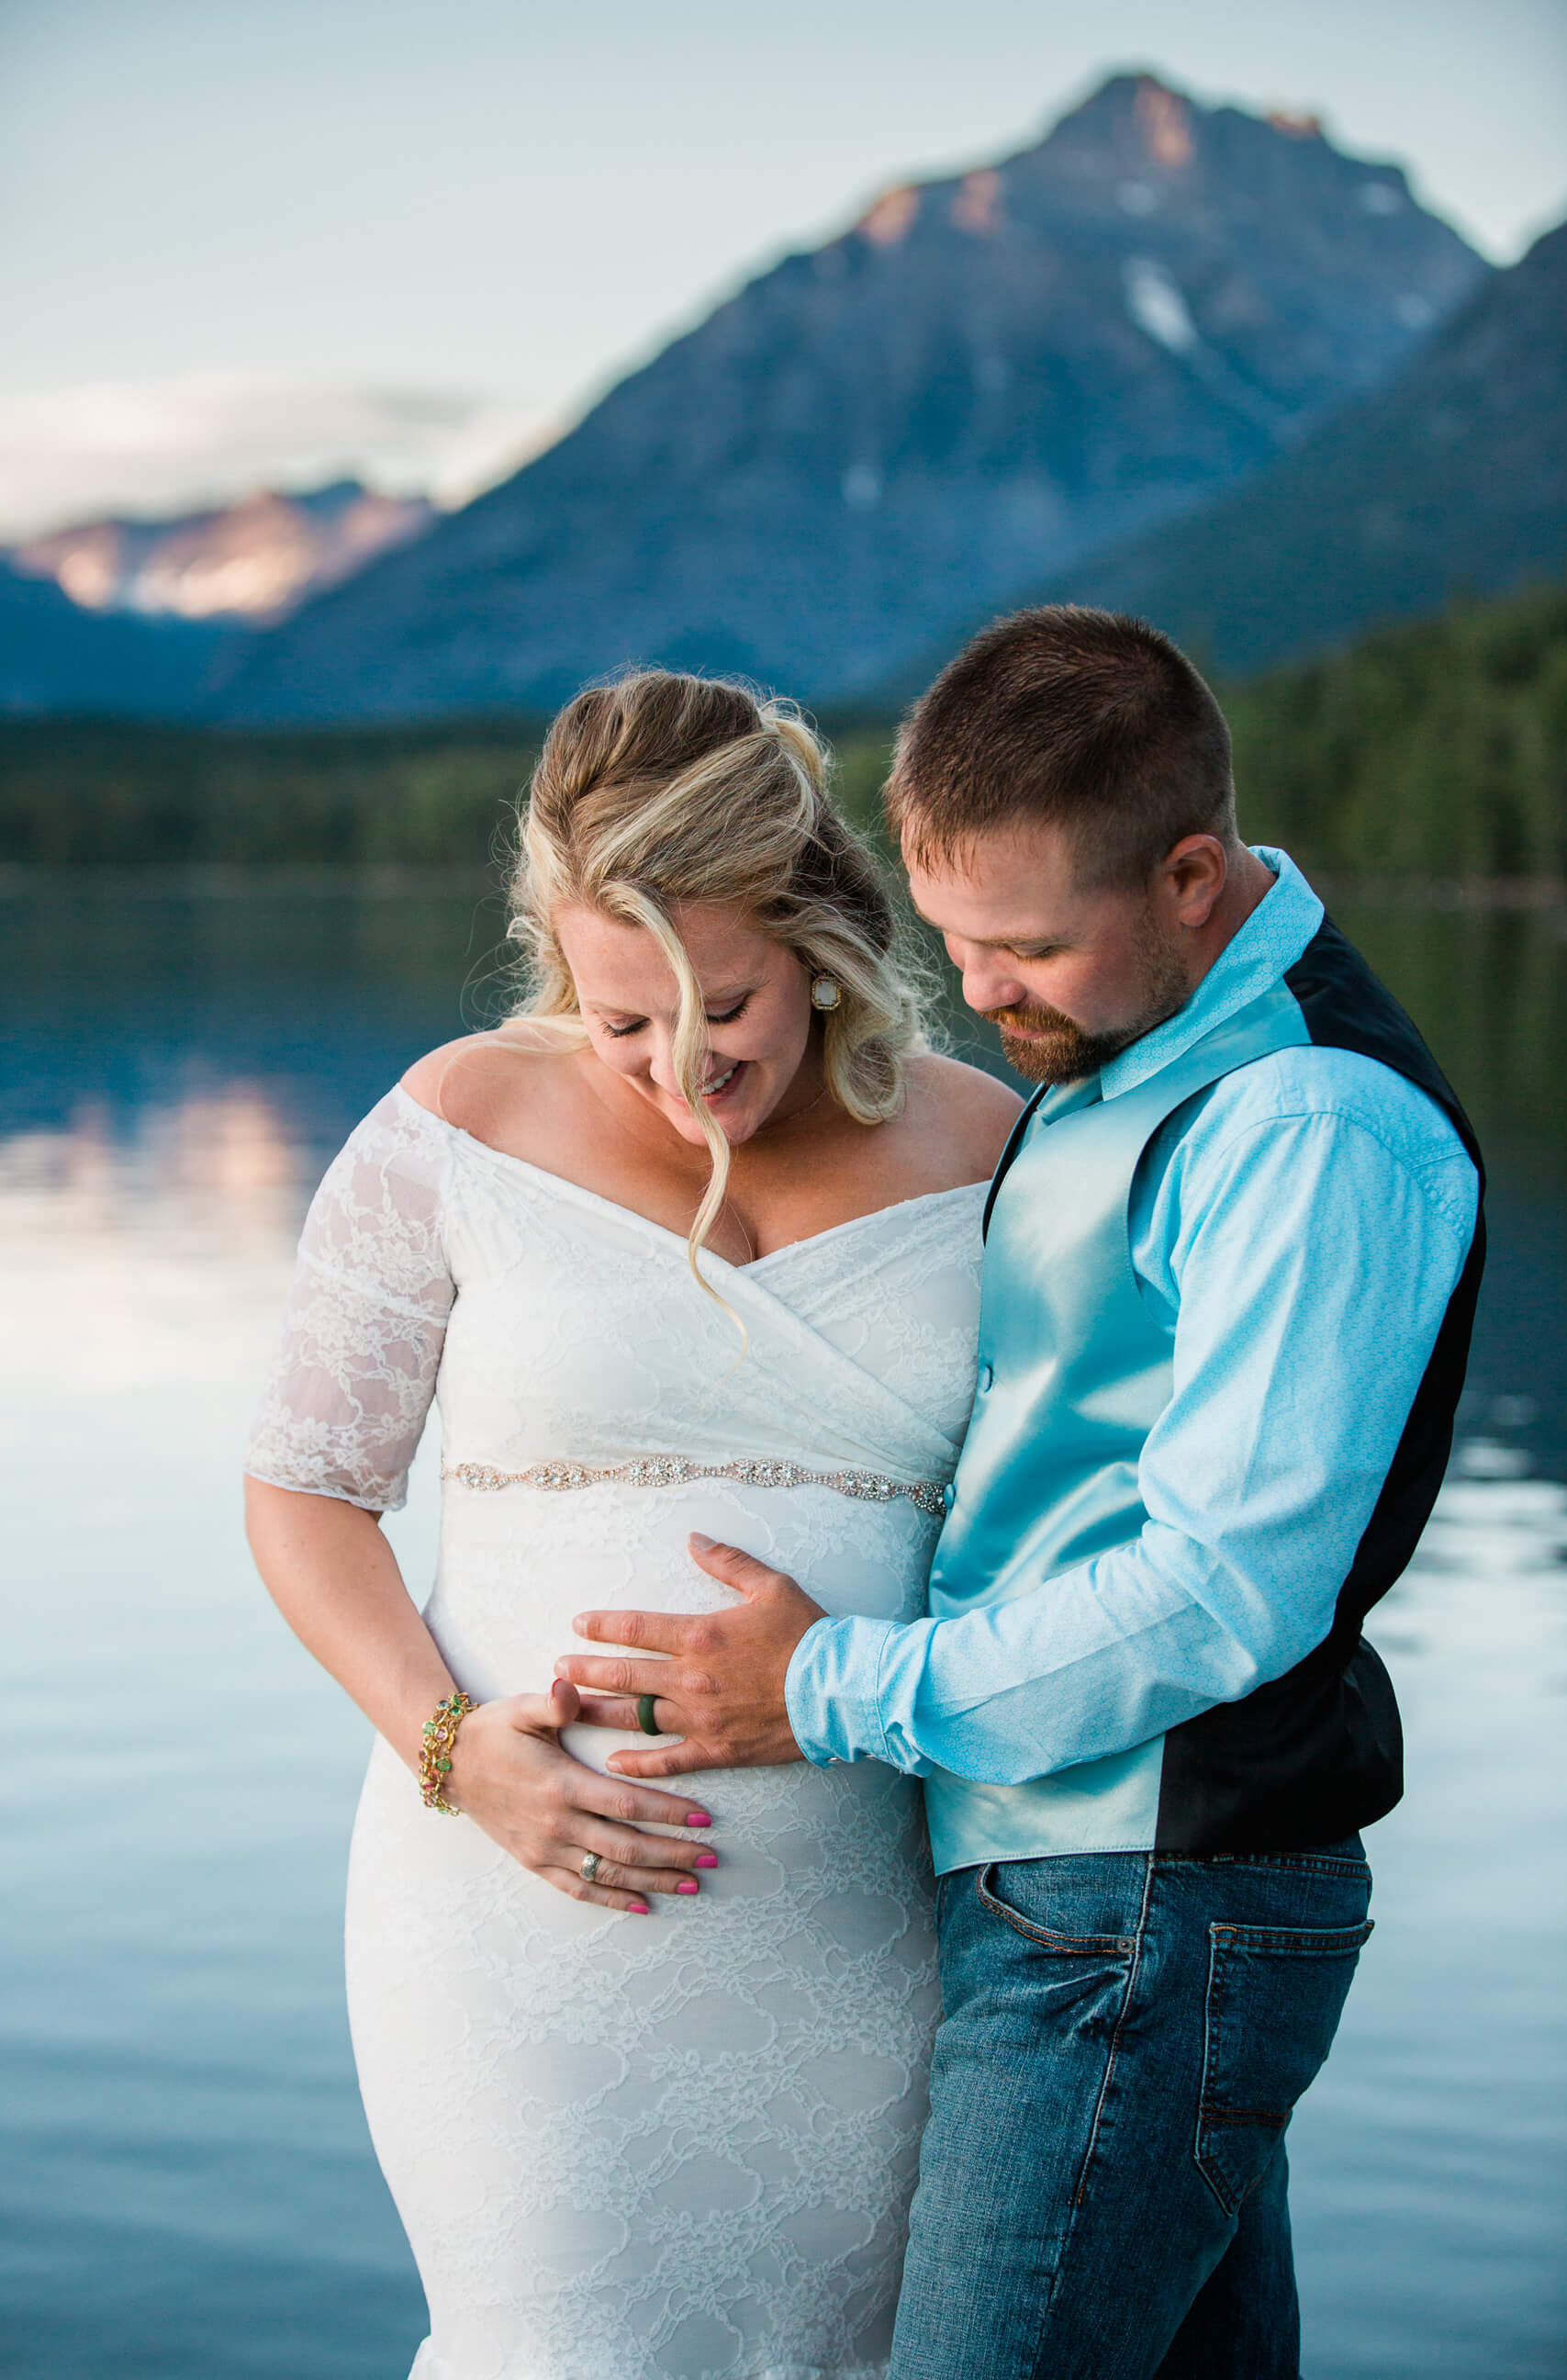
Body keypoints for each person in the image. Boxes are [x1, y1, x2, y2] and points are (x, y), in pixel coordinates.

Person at [557, 608, 1485, 2379]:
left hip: (1148, 1910)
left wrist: (825, 1689)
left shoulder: (1304, 1119)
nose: (981, 995)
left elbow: (1224, 1587)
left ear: (1194, 876)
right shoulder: (1132, 1048)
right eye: (957, 940)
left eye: (1032, 947)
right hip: (1079, 1888)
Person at [243, 669, 1022, 2380]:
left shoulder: (994, 1152)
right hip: (521, 1922)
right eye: (621, 1022)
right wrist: (455, 1749)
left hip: (873, 1942)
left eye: (724, 1001)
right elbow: (305, 1495)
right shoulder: (457, 1125)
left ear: (819, 937)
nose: (682, 1067)